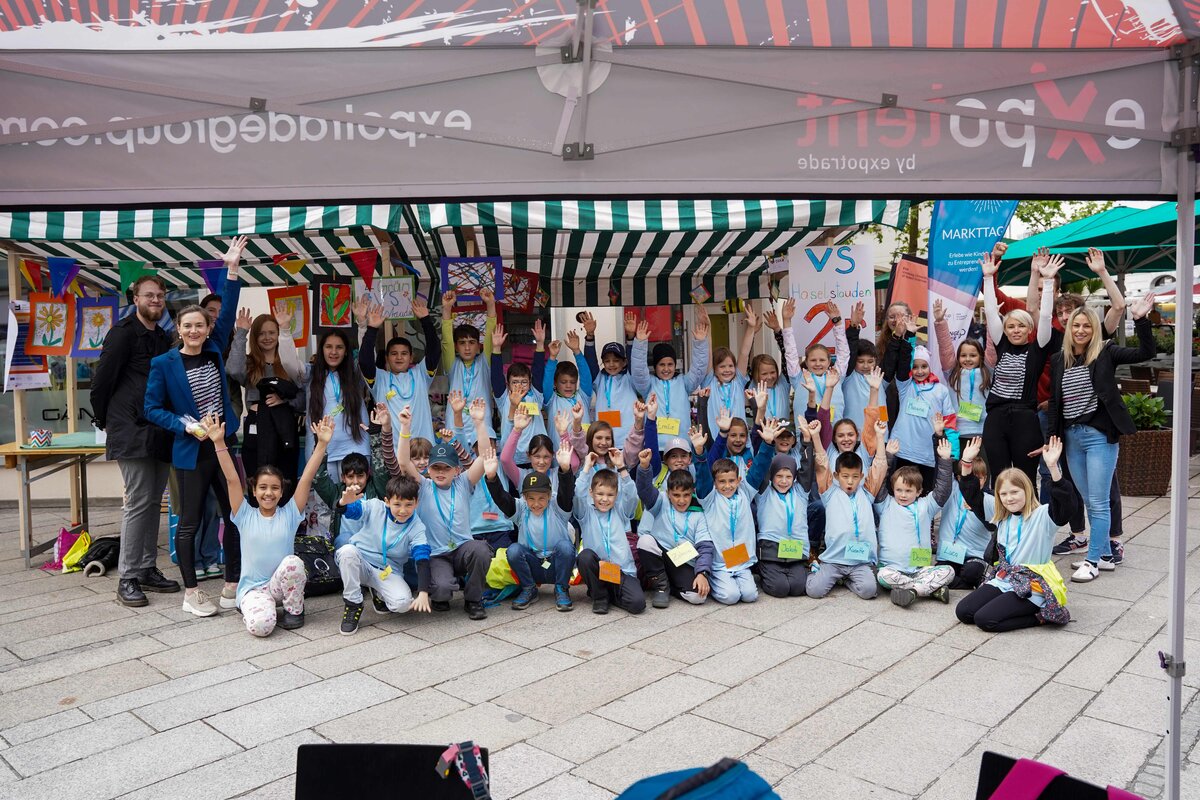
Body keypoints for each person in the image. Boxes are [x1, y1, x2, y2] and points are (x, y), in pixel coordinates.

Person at [144, 236, 246, 617]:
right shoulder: (165, 365)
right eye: (188, 326)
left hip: (224, 446)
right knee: (189, 522)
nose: (194, 331)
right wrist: (185, 426)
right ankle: (191, 593)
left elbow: (230, 305)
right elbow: (152, 409)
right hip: (191, 451)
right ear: (179, 329)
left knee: (234, 515)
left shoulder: (216, 349)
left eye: (200, 325)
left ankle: (232, 583)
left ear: (207, 328)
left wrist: (232, 270)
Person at [1047, 292, 1157, 582]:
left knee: (1098, 502)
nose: (1081, 330)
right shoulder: (1060, 359)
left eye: (1086, 326)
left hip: (1099, 437)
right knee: (1088, 498)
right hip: (1071, 438)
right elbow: (1056, 403)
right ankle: (1106, 554)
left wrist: (1141, 319)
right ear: (1069, 329)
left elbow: (1147, 352)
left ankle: (1093, 560)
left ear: (1094, 329)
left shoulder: (1106, 352)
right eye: (1076, 325)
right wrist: (1052, 441)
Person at [91, 273, 180, 608]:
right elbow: (101, 383)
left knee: (154, 500)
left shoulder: (163, 337)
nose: (155, 300)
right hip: (130, 430)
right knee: (138, 502)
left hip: (158, 430)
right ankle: (127, 577)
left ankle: (146, 569)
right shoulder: (122, 333)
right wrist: (106, 421)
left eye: (159, 295)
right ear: (135, 298)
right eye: (149, 295)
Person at [208, 414, 332, 635]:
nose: (268, 493)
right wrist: (219, 443)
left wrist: (321, 444)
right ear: (254, 492)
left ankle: (294, 610)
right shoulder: (244, 514)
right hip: (253, 590)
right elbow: (232, 480)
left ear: (281, 492)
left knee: (293, 562)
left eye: (275, 488)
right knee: (262, 628)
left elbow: (306, 478)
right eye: (263, 487)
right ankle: (255, 608)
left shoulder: (290, 514)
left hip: (279, 586)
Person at [955, 436, 1079, 632]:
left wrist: (1054, 468)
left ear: (1026, 490)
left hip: (1033, 584)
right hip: (1005, 578)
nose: (1009, 498)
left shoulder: (1044, 516)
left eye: (1014, 492)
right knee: (964, 612)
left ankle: (1042, 616)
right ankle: (1008, 602)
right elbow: (972, 495)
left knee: (985, 620)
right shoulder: (1000, 514)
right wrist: (967, 463)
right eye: (1003, 494)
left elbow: (1066, 504)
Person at [396, 402, 492, 620]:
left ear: (456, 469)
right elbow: (403, 462)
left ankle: (474, 599)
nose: (440, 472)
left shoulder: (463, 482)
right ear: (429, 469)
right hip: (437, 554)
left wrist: (479, 423)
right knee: (441, 591)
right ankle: (442, 590)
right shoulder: (424, 485)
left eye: (446, 467)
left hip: (462, 549)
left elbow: (485, 457)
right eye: (435, 467)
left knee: (481, 550)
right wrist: (405, 428)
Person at [980, 250, 1057, 483]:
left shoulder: (1037, 348)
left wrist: (1049, 281)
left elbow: (1044, 318)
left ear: (1028, 330)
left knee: (1025, 479)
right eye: (1011, 326)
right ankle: (1001, 520)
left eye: (1021, 326)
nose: (1015, 330)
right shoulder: (1002, 344)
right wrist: (988, 278)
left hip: (1025, 419)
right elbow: (992, 312)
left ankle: (1027, 519)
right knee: (1000, 478)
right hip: (996, 418)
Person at [485, 438, 578, 612]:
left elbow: (566, 492)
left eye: (541, 498)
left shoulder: (558, 507)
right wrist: (492, 478)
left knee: (566, 547)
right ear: (525, 498)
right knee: (513, 550)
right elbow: (502, 499)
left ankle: (561, 588)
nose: (536, 503)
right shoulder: (521, 508)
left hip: (556, 564)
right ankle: (529, 588)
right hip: (533, 564)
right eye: (531, 498)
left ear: (549, 496)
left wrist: (565, 470)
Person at [335, 472, 433, 634]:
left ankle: (378, 592)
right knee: (347, 551)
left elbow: (422, 559)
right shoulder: (375, 506)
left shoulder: (417, 527)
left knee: (402, 604)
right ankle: (353, 603)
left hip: (387, 571)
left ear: (417, 503)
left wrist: (423, 592)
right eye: (397, 504)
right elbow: (351, 511)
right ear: (387, 502)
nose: (403, 510)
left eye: (409, 504)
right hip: (361, 562)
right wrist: (343, 503)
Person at [806, 420, 891, 600]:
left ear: (861, 476)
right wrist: (815, 436)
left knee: (869, 591)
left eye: (854, 477)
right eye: (845, 477)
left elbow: (879, 467)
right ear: (837, 476)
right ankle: (817, 568)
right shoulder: (829, 493)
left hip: (859, 561)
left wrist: (880, 436)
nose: (850, 481)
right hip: (834, 560)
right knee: (814, 591)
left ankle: (845, 581)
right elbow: (822, 465)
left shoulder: (867, 493)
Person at [227, 304, 304, 482]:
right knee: (257, 478)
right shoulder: (250, 363)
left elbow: (303, 397)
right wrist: (241, 333)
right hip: (257, 427)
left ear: (278, 335)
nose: (267, 337)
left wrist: (285, 402)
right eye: (261, 333)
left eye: (271, 332)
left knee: (285, 479)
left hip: (284, 428)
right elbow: (232, 370)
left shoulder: (289, 363)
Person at [875, 438, 956, 607]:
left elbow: (943, 490)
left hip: (920, 570)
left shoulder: (926, 506)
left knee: (949, 571)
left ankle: (913, 591)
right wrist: (889, 455)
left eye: (908, 491)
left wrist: (945, 461)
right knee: (882, 576)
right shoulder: (885, 504)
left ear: (919, 492)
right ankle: (931, 589)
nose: (903, 495)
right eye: (899, 490)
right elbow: (879, 481)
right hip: (892, 568)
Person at [744, 417, 818, 598]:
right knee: (780, 589)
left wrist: (807, 442)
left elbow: (807, 469)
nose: (784, 481)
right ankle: (762, 569)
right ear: (772, 476)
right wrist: (767, 443)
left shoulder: (800, 492)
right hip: (771, 551)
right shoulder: (764, 492)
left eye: (788, 476)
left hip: (795, 550)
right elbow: (761, 467)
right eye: (779, 476)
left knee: (798, 588)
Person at [635, 439, 714, 608]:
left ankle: (675, 588)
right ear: (668, 493)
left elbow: (705, 546)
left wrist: (702, 573)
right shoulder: (661, 500)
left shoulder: (698, 511)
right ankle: (662, 587)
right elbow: (644, 491)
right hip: (662, 553)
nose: (681, 500)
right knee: (645, 541)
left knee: (698, 597)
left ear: (692, 492)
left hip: (683, 560)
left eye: (686, 495)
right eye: (676, 495)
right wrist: (643, 467)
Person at [359, 296, 440, 449]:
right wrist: (372, 329)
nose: (399, 357)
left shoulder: (421, 374)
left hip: (423, 453)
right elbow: (364, 361)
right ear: (387, 358)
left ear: (411, 357)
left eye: (404, 353)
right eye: (394, 353)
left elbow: (434, 352)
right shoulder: (380, 379)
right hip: (392, 455)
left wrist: (426, 321)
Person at [572, 450, 645, 615]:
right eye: (600, 494)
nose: (604, 499)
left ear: (616, 496)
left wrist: (621, 467)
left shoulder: (621, 511)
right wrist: (586, 469)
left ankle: (609, 593)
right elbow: (577, 495)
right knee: (584, 556)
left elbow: (632, 497)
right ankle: (600, 597)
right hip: (599, 568)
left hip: (621, 570)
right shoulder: (585, 513)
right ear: (591, 493)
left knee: (638, 604)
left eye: (610, 495)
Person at [631, 311, 710, 447]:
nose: (666, 369)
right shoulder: (648, 385)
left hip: (682, 445)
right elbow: (638, 370)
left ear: (675, 365)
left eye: (670, 364)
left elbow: (698, 369)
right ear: (655, 367)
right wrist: (640, 343)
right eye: (661, 364)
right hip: (656, 446)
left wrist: (700, 343)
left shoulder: (684, 382)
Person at [307, 329, 370, 476]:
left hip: (357, 448)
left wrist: (362, 326)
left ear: (346, 351)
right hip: (322, 451)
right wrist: (285, 330)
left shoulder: (355, 374)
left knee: (357, 497)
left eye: (339, 347)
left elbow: (367, 358)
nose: (333, 352)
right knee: (327, 499)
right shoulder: (311, 374)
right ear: (321, 349)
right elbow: (289, 365)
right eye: (329, 346)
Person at [935, 441, 995, 591]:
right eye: (970, 478)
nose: (974, 483)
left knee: (971, 573)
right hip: (950, 553)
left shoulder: (988, 500)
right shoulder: (953, 492)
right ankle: (967, 585)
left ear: (986, 478)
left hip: (974, 554)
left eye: (979, 478)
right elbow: (943, 474)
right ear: (960, 478)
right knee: (940, 572)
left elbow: (991, 526)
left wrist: (977, 508)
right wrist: (939, 438)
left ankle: (962, 581)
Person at [441, 288, 498, 439]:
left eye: (472, 342)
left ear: (479, 346)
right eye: (462, 343)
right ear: (456, 346)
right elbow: (446, 340)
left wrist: (491, 304)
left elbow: (491, 336)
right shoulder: (452, 365)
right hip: (454, 427)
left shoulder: (484, 362)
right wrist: (447, 308)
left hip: (481, 426)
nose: (467, 348)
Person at [586, 311, 639, 448]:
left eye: (616, 360)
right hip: (604, 441)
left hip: (628, 440)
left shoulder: (630, 378)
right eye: (607, 361)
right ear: (603, 362)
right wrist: (590, 337)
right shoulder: (599, 379)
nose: (611, 364)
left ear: (624, 362)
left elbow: (634, 360)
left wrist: (631, 337)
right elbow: (590, 362)